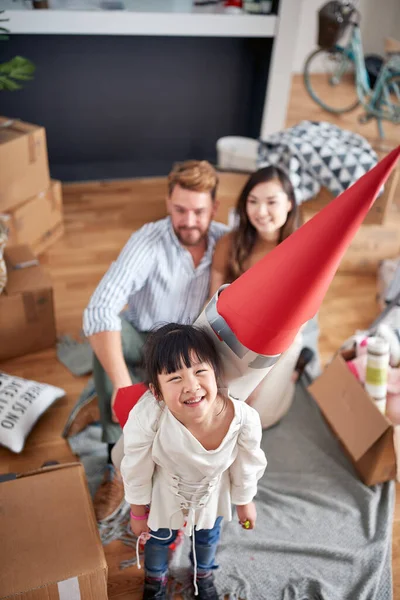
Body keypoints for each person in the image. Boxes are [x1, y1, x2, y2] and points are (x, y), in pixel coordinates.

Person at [82, 160, 228, 520]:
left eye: (198, 211)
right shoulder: (148, 240)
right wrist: (123, 389)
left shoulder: (229, 240)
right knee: (104, 331)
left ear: (215, 208)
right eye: (180, 210)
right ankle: (116, 451)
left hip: (190, 346)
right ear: (167, 202)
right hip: (144, 336)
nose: (189, 221)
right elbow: (99, 308)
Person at [120, 323, 267, 600]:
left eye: (200, 371)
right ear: (157, 392)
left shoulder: (242, 419)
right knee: (158, 538)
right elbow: (136, 466)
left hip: (211, 494)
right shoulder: (149, 417)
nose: (191, 386)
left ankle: (203, 575)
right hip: (164, 493)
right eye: (175, 378)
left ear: (216, 374)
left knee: (208, 538)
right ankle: (155, 579)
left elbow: (248, 464)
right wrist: (138, 511)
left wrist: (245, 501)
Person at [209, 164, 301, 295]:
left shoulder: (303, 251)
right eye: (253, 201)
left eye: (271, 202)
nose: (261, 212)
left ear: (289, 204)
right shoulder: (228, 244)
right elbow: (213, 305)